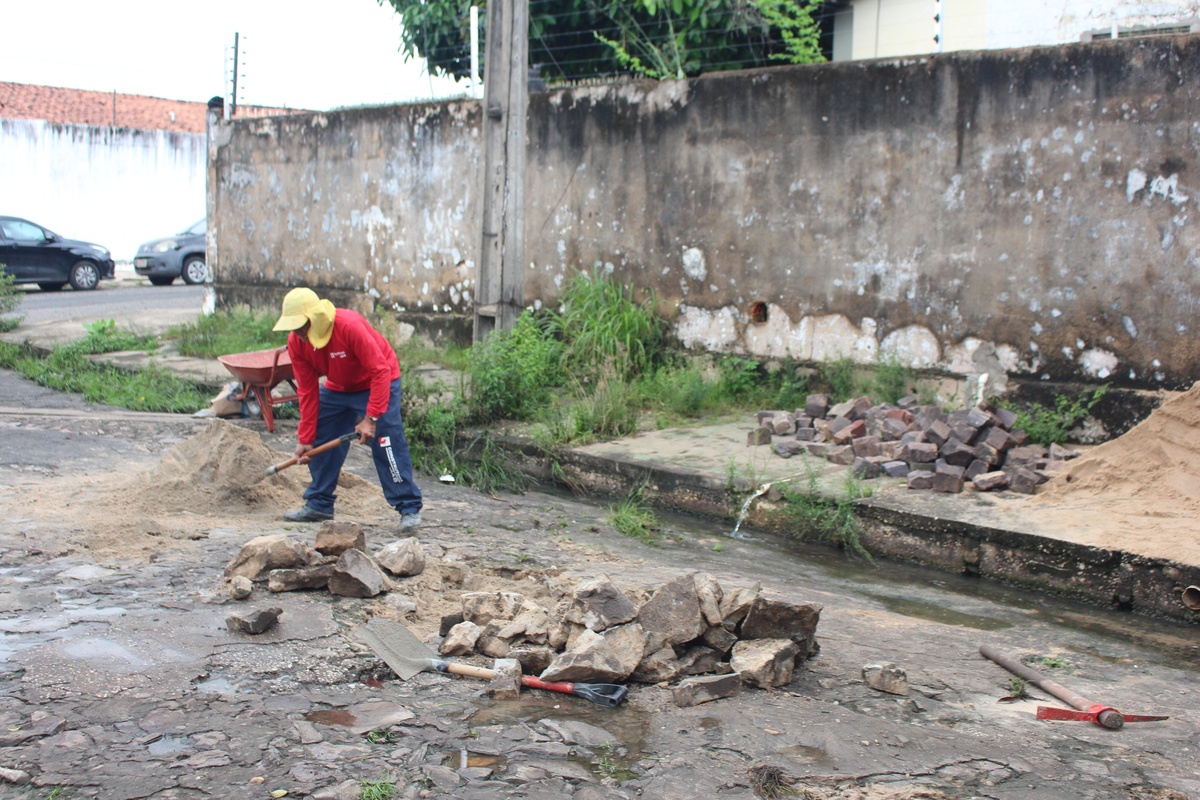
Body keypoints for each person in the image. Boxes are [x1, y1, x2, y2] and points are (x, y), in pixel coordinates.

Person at [271, 287, 423, 532]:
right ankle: (319, 504)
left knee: (386, 441)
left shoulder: (348, 326)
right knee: (320, 433)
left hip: (379, 380)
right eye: (294, 327)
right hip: (339, 387)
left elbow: (380, 371)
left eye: (302, 326)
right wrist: (306, 438)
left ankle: (408, 507)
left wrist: (371, 417)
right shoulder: (296, 343)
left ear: (316, 318)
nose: (298, 333)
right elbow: (307, 391)